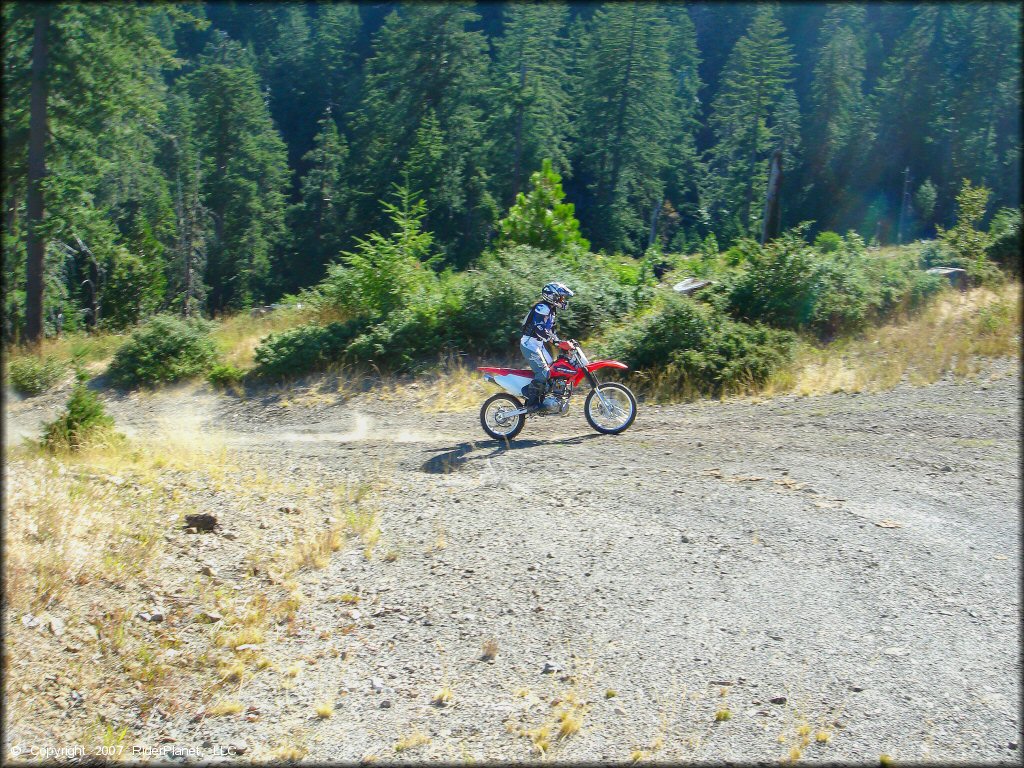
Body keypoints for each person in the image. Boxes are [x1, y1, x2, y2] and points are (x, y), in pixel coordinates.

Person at [519, 282, 574, 409]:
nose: (563, 300)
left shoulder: (551, 310)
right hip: (529, 343)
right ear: (552, 296)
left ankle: (546, 399)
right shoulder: (542, 307)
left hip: (538, 344)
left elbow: (551, 333)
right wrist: (558, 343)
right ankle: (531, 403)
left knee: (553, 370)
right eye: (561, 297)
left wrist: (563, 343)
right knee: (544, 373)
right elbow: (539, 329)